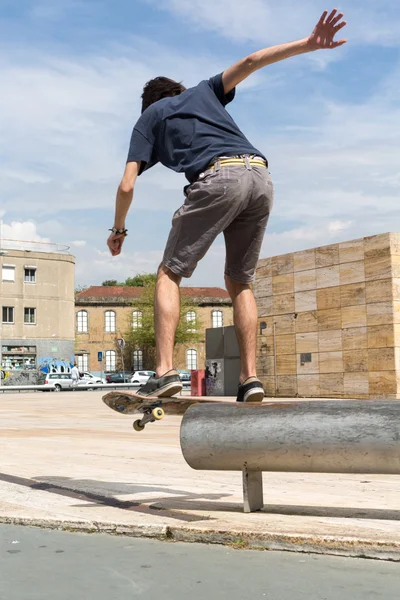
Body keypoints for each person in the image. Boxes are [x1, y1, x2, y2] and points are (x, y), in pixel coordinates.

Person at [107, 9, 347, 402]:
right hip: (261, 176)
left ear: (149, 103)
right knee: (240, 282)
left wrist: (118, 230)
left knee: (169, 273)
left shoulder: (150, 117)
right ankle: (250, 379)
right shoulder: (203, 92)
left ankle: (165, 371)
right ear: (178, 90)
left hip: (219, 178)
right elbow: (251, 62)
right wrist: (309, 44)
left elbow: (126, 183)